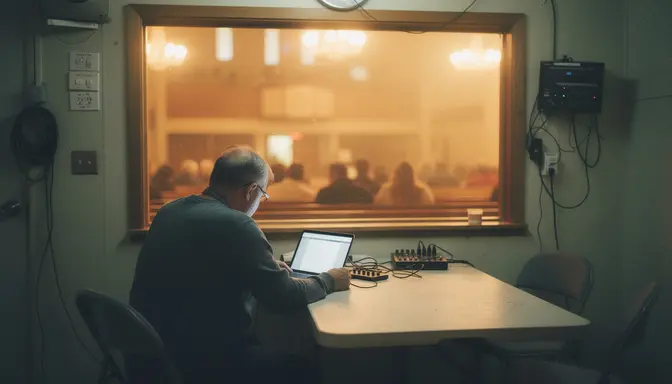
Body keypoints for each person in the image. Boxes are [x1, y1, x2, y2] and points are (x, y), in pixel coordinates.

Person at [128, 146, 351, 384]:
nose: (260, 202)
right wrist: (329, 280)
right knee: (307, 368)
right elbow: (283, 297)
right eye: (262, 195)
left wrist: (261, 264)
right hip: (209, 362)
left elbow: (201, 261)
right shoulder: (239, 224)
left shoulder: (169, 211)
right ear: (251, 190)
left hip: (153, 355)